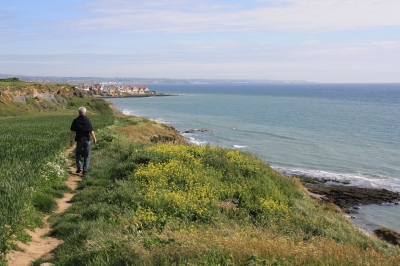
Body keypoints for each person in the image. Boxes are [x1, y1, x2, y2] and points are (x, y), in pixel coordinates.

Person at [70, 106, 97, 175]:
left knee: (78, 154)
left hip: (79, 140)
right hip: (87, 140)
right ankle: (85, 170)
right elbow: (91, 131)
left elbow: (73, 132)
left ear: (78, 113)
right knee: (87, 155)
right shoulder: (88, 120)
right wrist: (94, 138)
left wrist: (71, 141)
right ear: (85, 112)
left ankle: (79, 167)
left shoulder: (75, 120)